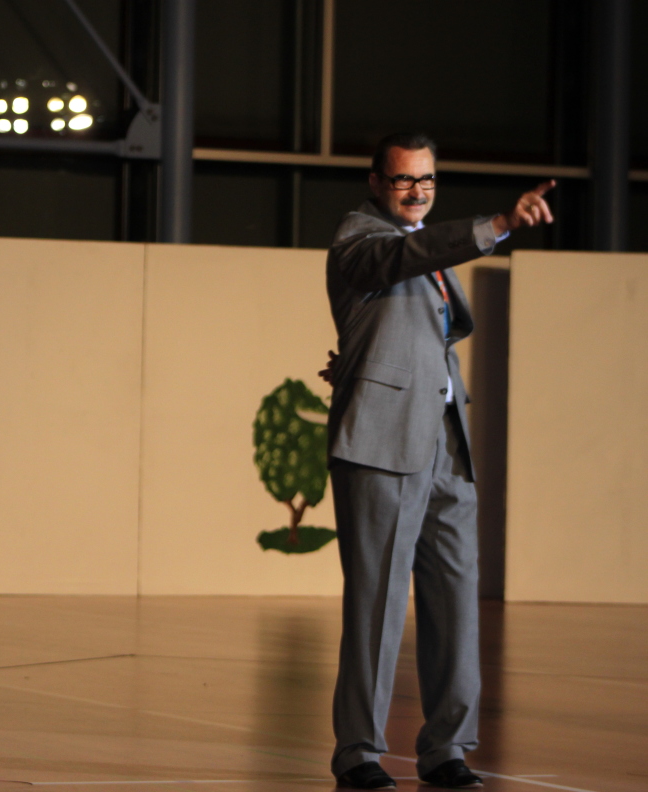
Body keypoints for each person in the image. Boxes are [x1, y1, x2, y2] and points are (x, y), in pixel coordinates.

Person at [320, 133, 553, 790]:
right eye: (403, 179)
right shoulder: (360, 237)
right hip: (382, 444)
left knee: (455, 598)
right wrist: (499, 224)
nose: (417, 190)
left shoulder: (422, 246)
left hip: (446, 441)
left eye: (426, 179)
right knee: (378, 603)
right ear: (376, 183)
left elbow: (414, 330)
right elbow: (403, 258)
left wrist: (356, 359)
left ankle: (447, 748)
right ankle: (359, 753)